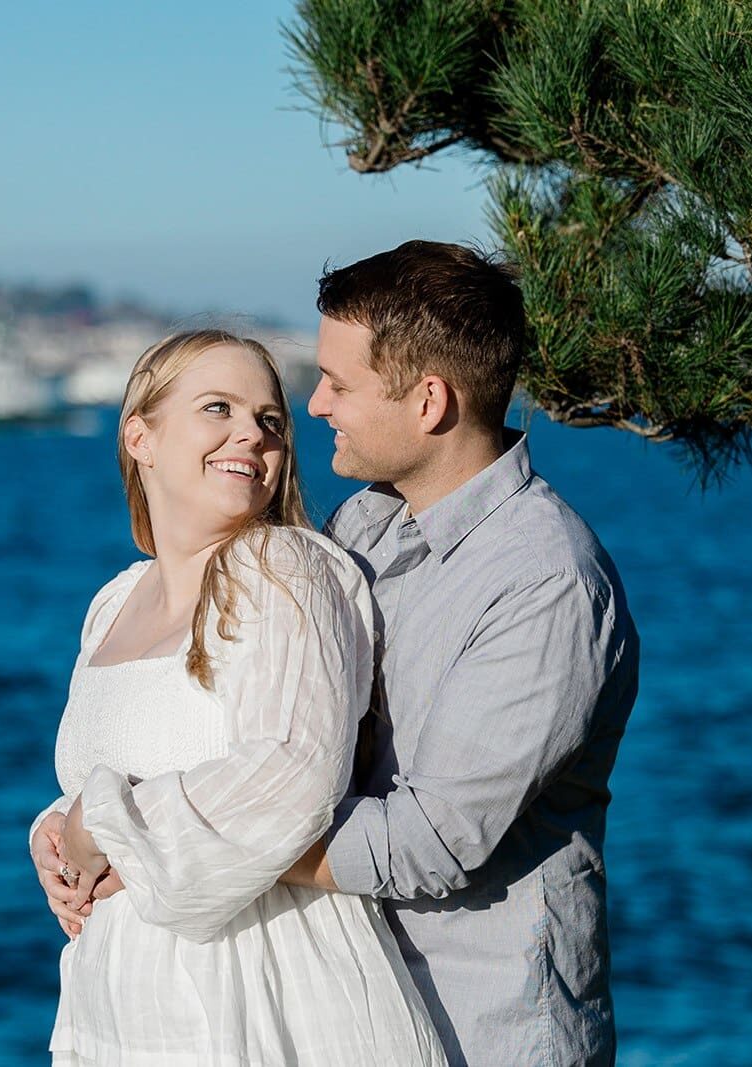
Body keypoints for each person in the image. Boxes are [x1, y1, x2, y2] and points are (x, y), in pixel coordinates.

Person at [28, 329, 446, 1066]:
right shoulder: (114, 602)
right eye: (218, 407)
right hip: (123, 1007)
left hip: (264, 1001)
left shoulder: (283, 567)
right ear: (140, 437)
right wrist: (56, 832)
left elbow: (295, 772)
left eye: (270, 420)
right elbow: (124, 766)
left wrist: (103, 822)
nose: (252, 434)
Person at [275, 240, 640, 1066]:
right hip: (352, 1009)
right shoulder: (362, 525)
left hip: (483, 1030)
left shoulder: (546, 582)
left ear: (429, 400)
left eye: (339, 383)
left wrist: (202, 845)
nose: (316, 404)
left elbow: (429, 841)